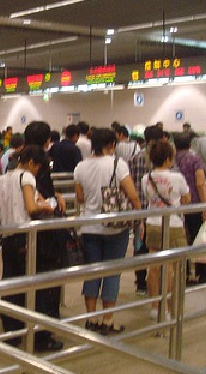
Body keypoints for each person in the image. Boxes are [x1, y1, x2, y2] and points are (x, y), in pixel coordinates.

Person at [74, 128, 141, 334]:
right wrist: (138, 215)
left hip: (89, 225)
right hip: (114, 228)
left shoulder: (81, 167)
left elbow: (80, 197)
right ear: (112, 144)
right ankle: (108, 321)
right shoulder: (118, 165)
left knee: (92, 272)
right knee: (112, 272)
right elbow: (132, 194)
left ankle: (90, 319)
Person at [0, 145, 54, 346]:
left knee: (11, 283)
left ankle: (11, 331)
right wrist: (46, 207)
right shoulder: (27, 177)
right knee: (32, 286)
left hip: (7, 236)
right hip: (24, 237)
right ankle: (38, 337)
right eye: (38, 167)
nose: (38, 171)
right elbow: (31, 207)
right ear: (31, 163)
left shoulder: (3, 179)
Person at [21, 121, 66, 350]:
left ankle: (19, 328)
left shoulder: (16, 161)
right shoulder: (40, 163)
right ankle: (42, 335)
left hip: (20, 233)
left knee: (23, 280)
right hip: (43, 233)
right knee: (46, 282)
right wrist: (53, 200)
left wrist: (54, 193)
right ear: (46, 140)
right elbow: (41, 196)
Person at [142, 140, 190, 319]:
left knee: (154, 267)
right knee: (170, 268)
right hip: (173, 224)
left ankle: (155, 306)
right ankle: (168, 308)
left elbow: (148, 197)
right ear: (169, 158)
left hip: (152, 222)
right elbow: (186, 198)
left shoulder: (146, 178)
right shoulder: (177, 178)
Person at [129, 125, 164, 294]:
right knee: (159, 247)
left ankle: (141, 281)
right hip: (159, 210)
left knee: (140, 246)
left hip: (140, 208)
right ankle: (159, 282)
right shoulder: (165, 157)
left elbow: (132, 183)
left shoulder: (136, 157)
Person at [174, 133, 206, 283]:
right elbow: (200, 182)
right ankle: (202, 274)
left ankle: (185, 273)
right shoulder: (194, 159)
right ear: (190, 144)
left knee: (183, 239)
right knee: (198, 238)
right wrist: (205, 205)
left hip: (177, 206)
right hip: (195, 204)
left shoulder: (172, 158)